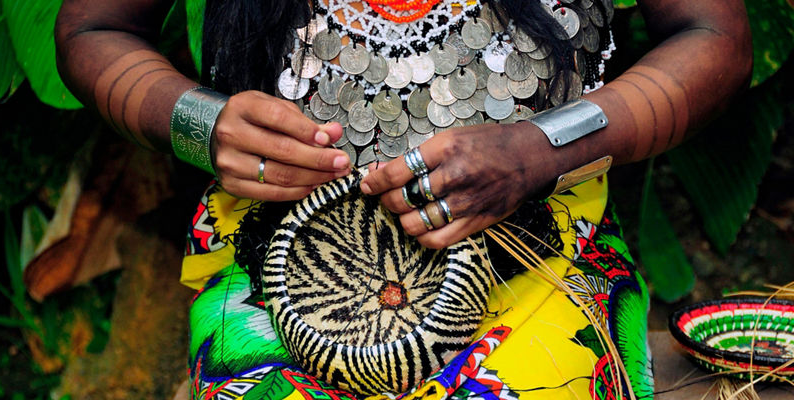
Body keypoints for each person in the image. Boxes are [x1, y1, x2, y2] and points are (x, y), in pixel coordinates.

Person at [55, 0, 751, 398]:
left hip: (539, 253)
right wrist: (202, 124)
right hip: (280, 272)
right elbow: (93, 30)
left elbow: (712, 37)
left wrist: (543, 150)